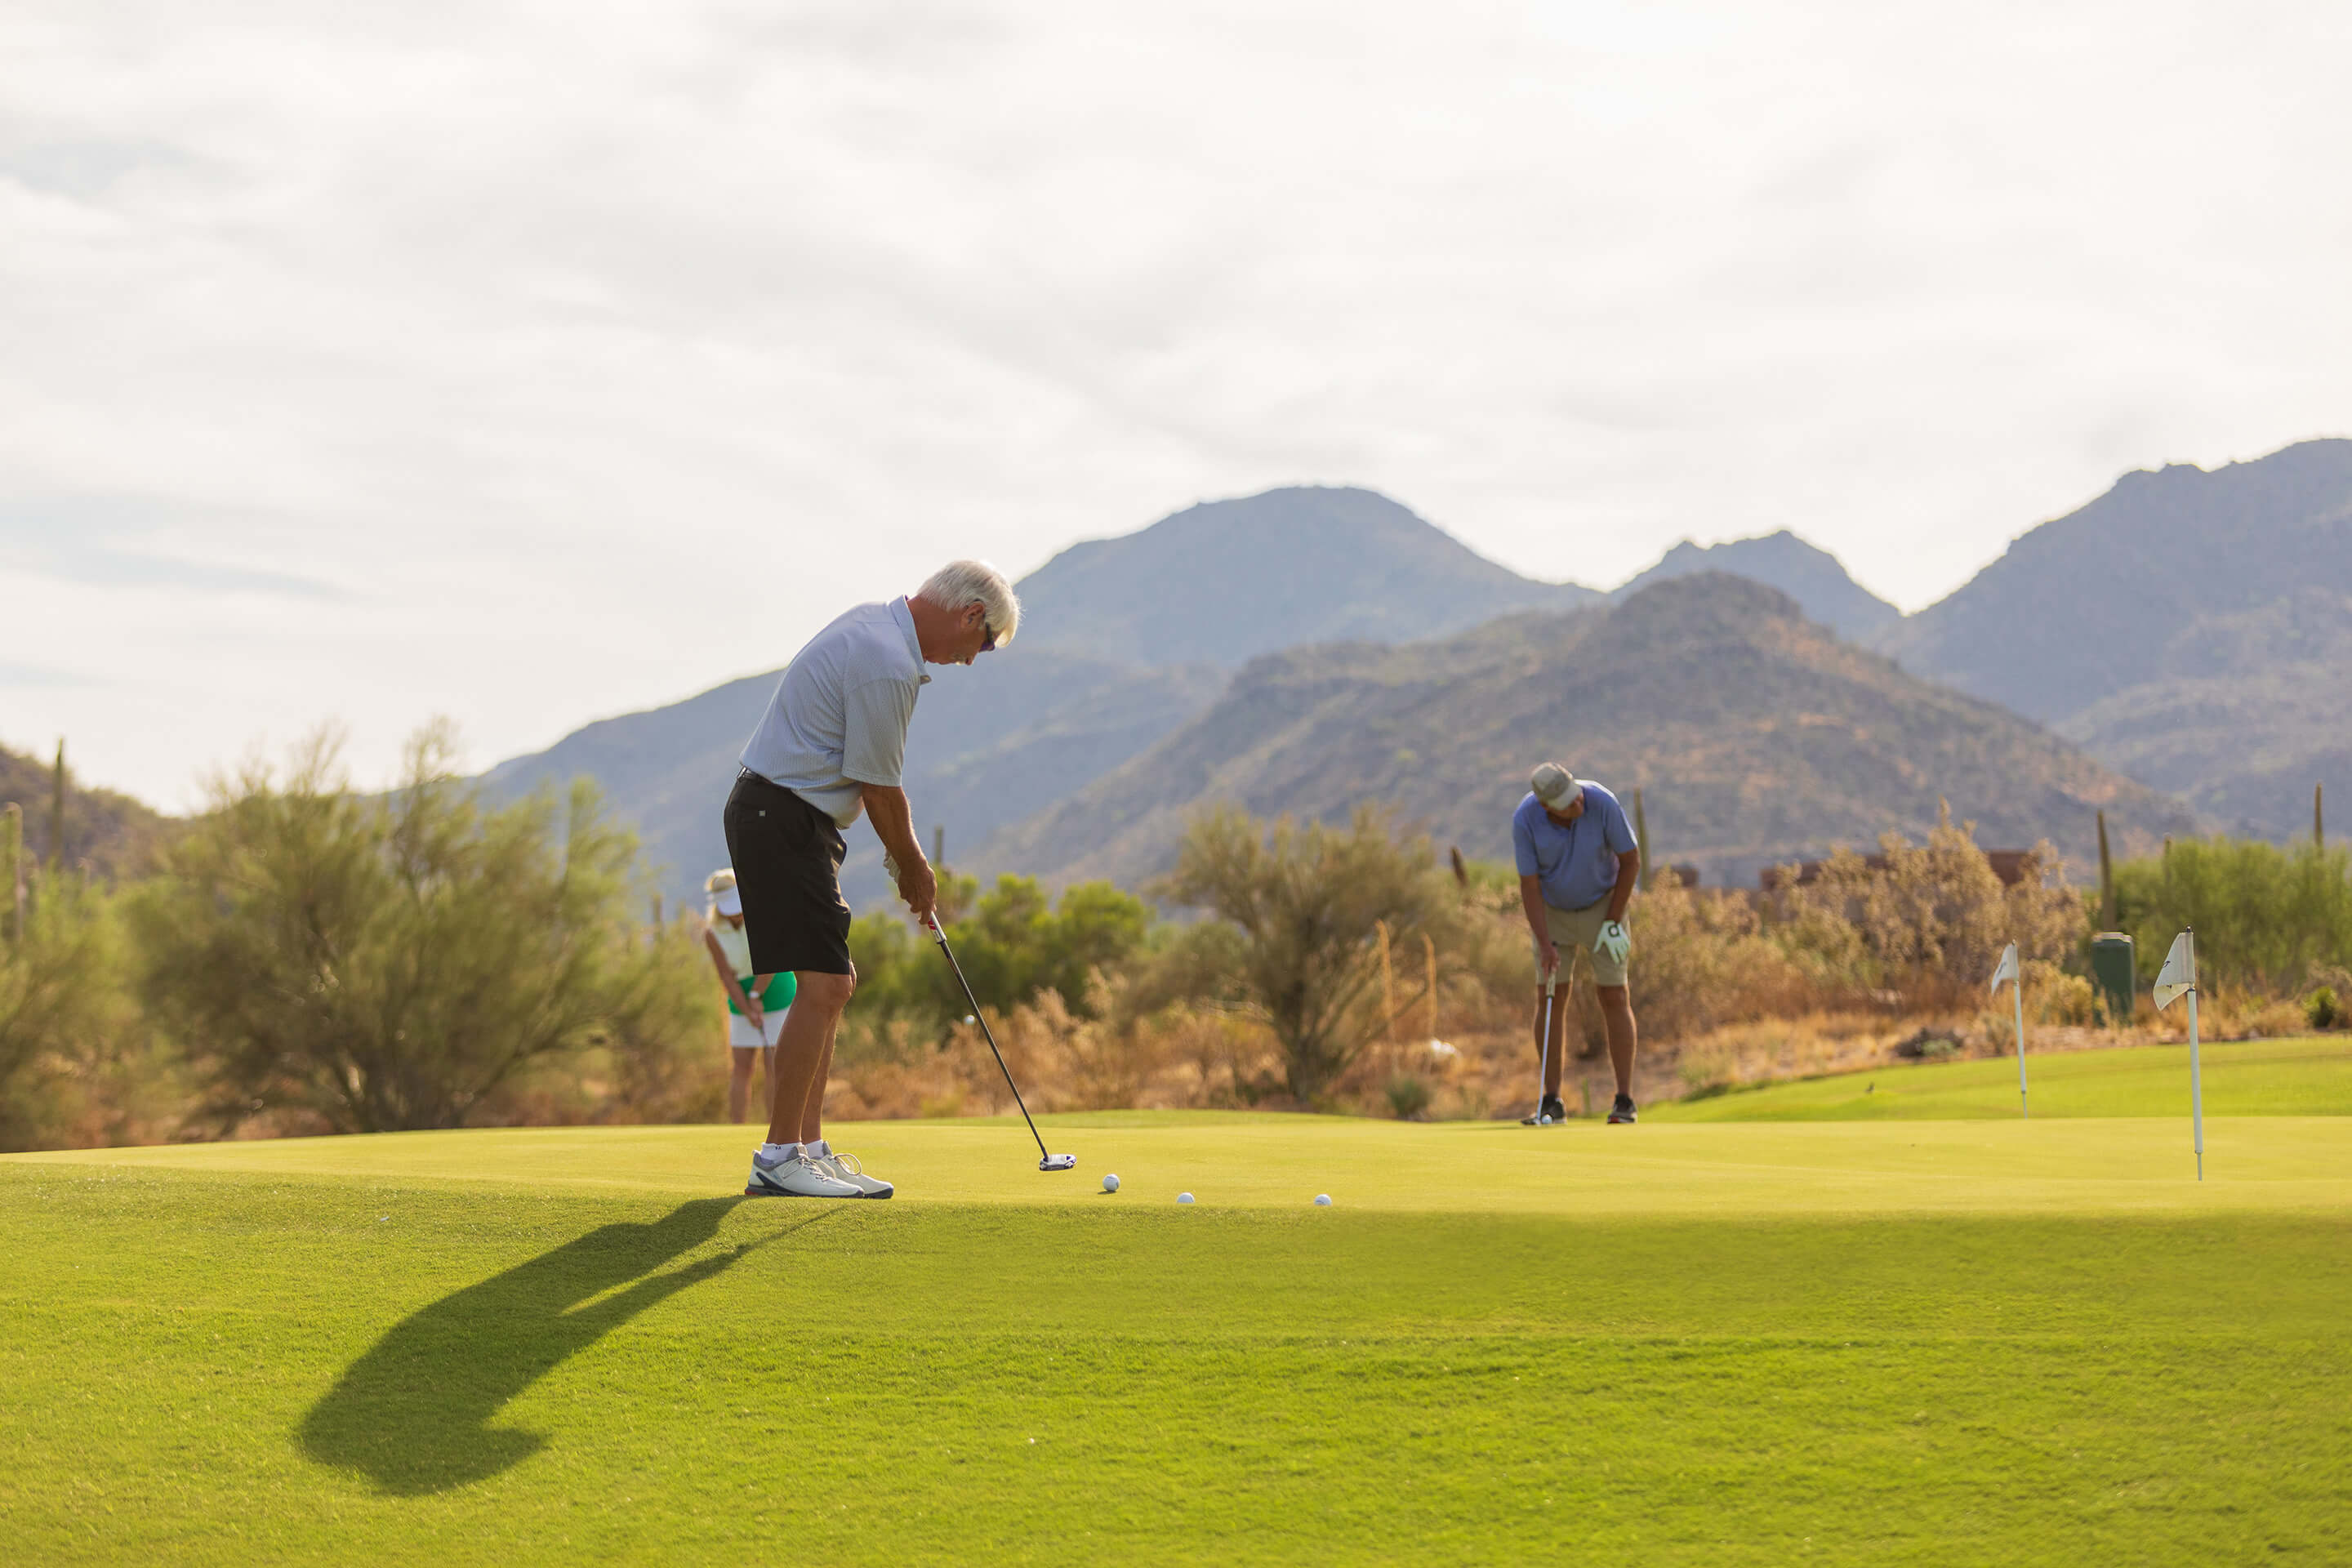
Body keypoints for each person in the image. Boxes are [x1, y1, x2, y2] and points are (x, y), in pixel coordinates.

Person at [723, 559, 1020, 1198]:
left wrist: (905, 866)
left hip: (790, 818)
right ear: (971, 614)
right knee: (827, 986)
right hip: (781, 817)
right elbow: (880, 788)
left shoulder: (876, 629)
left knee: (832, 984)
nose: (973, 659)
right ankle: (780, 1158)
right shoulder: (887, 659)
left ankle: (807, 1148)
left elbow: (870, 783)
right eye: (984, 643)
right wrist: (915, 870)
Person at [1513, 760, 1642, 1125]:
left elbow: (1631, 860)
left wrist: (1613, 921)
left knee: (1614, 994)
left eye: (1576, 795)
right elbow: (1530, 885)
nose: (1578, 804)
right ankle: (1551, 1101)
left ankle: (1624, 1101)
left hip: (1604, 904)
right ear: (1546, 807)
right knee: (1551, 996)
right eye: (1568, 803)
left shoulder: (1601, 802)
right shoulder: (1525, 820)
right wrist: (1545, 943)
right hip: (1553, 911)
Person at [701, 869, 796, 1124]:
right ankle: (736, 1129)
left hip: (777, 989)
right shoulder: (712, 933)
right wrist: (746, 1007)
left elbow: (774, 961)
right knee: (742, 1067)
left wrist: (757, 995)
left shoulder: (763, 918)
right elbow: (726, 976)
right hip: (741, 997)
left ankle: (776, 1131)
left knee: (774, 1066)